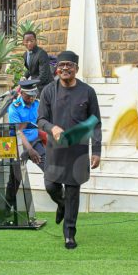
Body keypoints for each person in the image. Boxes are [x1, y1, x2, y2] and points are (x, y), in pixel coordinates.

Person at [37, 51, 101, 249]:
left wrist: (97, 151)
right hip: (55, 150)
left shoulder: (88, 92)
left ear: (76, 69)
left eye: (69, 65)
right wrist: (52, 128)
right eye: (62, 65)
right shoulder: (48, 91)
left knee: (73, 192)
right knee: (51, 186)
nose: (65, 68)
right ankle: (62, 204)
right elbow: (41, 120)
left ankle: (69, 234)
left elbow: (95, 123)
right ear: (57, 68)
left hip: (78, 151)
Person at [6, 79, 45, 212]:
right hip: (17, 144)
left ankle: (61, 200)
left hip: (35, 141)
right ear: (21, 93)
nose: (32, 98)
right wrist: (30, 150)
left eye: (34, 95)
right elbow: (18, 131)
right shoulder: (14, 108)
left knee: (49, 168)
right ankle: (7, 208)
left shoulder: (38, 104)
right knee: (15, 179)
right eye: (29, 95)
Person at [22, 31, 52, 96]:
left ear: (36, 41)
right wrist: (24, 77)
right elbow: (31, 68)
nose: (29, 43)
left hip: (45, 86)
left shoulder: (41, 53)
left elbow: (43, 76)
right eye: (27, 41)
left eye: (31, 41)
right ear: (23, 42)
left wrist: (31, 84)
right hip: (35, 86)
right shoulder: (25, 55)